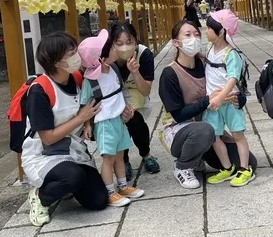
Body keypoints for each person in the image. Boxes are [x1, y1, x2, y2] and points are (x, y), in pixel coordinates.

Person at [158, 20, 257, 189]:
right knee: (205, 130)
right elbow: (179, 115)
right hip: (181, 129)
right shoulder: (170, 73)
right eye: (187, 35)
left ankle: (199, 158)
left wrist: (238, 99)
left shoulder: (207, 63)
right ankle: (183, 165)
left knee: (250, 163)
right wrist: (209, 99)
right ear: (175, 42)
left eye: (197, 34)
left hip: (208, 122)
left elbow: (231, 82)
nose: (194, 38)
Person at [21, 32, 105, 227]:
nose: (78, 56)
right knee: (73, 177)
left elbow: (88, 104)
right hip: (44, 156)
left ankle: (65, 186)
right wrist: (81, 118)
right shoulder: (39, 90)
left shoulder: (76, 78)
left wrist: (87, 122)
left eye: (76, 50)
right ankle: (40, 196)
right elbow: (47, 138)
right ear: (56, 62)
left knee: (98, 201)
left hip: (74, 151)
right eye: (72, 53)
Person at [78, 29, 144, 206]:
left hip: (118, 119)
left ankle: (122, 186)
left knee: (120, 154)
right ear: (101, 58)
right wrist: (87, 124)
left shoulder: (113, 69)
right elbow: (85, 104)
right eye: (113, 47)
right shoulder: (90, 81)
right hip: (105, 122)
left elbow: (118, 91)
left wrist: (126, 107)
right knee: (108, 158)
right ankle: (109, 191)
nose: (117, 49)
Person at [203, 10, 254, 187]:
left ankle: (244, 169)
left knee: (237, 134)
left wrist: (220, 98)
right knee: (214, 135)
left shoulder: (231, 54)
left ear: (222, 31)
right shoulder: (210, 49)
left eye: (210, 28)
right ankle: (227, 168)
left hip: (228, 102)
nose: (206, 30)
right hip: (213, 102)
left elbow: (232, 78)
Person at [107, 21, 160, 180]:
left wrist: (135, 72)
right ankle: (124, 161)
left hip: (136, 91)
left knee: (135, 119)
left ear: (136, 41)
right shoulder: (107, 57)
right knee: (118, 120)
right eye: (119, 43)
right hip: (113, 94)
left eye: (129, 42)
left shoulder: (144, 55)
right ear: (112, 44)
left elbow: (146, 90)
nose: (124, 47)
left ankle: (146, 154)